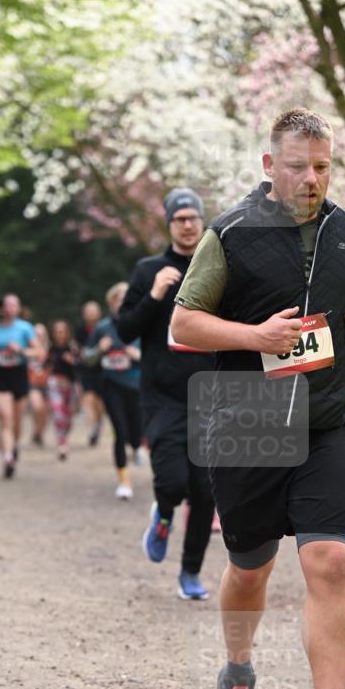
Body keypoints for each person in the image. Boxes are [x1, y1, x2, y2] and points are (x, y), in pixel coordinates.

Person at [171, 108, 345, 689]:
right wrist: (254, 336)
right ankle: (237, 673)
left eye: (321, 167)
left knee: (329, 561)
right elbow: (184, 323)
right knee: (250, 564)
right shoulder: (230, 233)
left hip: (324, 421)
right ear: (269, 165)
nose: (311, 179)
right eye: (297, 167)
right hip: (248, 419)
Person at [118, 188, 216, 601]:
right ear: (169, 224)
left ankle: (190, 572)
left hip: (211, 396)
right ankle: (163, 515)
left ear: (202, 221)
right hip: (162, 395)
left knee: (207, 493)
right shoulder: (149, 270)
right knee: (173, 482)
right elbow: (125, 329)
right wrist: (155, 294)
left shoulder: (219, 267)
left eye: (193, 218)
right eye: (180, 219)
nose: (188, 225)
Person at [86, 282, 143, 500]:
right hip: (111, 385)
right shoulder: (102, 328)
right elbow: (87, 358)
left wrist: (137, 355)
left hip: (136, 385)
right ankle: (124, 481)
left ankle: (136, 447)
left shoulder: (140, 324)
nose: (123, 302)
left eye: (127, 298)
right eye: (119, 299)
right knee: (120, 430)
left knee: (136, 433)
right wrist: (99, 350)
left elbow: (154, 356)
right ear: (111, 302)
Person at [0, 293, 41, 478]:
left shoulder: (25, 328)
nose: (11, 308)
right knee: (5, 417)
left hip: (18, 375)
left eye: (14, 305)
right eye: (8, 305)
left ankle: (13, 447)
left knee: (17, 422)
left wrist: (21, 350)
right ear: (1, 308)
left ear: (19, 308)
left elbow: (39, 352)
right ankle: (7, 457)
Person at [46, 319, 79, 460]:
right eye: (57, 332)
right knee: (58, 414)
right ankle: (62, 444)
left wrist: (72, 361)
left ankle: (64, 437)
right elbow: (45, 366)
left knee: (68, 416)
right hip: (55, 384)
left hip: (70, 385)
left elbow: (80, 367)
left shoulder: (73, 348)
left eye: (62, 331)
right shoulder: (50, 349)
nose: (60, 334)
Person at [75, 300, 106, 445]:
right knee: (88, 397)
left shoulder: (105, 328)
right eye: (89, 312)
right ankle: (92, 427)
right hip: (86, 369)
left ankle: (99, 423)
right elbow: (78, 349)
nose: (91, 314)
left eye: (94, 311)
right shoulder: (80, 330)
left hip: (103, 368)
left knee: (99, 400)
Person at [27, 322, 51, 446]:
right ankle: (36, 430)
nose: (39, 336)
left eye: (41, 334)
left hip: (48, 384)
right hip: (32, 383)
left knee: (45, 412)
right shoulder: (27, 349)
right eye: (36, 334)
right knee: (37, 407)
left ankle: (39, 433)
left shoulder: (51, 349)